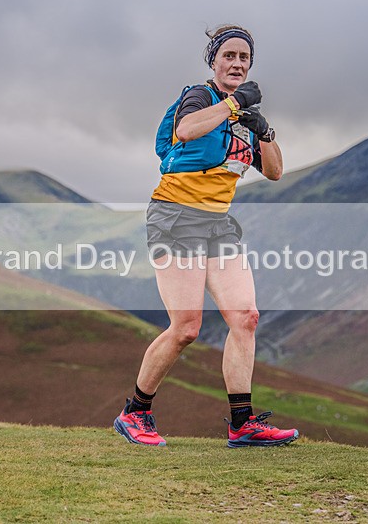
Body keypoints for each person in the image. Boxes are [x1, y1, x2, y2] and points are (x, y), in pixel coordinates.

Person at [114, 25, 298, 447]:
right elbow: (186, 131)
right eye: (229, 56)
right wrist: (234, 103)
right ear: (213, 61)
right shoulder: (201, 97)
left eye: (244, 58)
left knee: (246, 317)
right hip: (175, 218)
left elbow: (273, 172)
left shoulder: (243, 119)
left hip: (218, 224)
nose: (237, 63)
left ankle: (242, 423)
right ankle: (134, 413)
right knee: (186, 328)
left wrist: (264, 130)